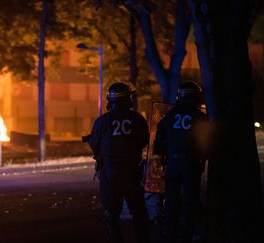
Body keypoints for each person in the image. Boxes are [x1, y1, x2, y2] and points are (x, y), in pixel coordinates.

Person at [88, 82, 150, 243]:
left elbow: (95, 144)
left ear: (110, 100)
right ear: (128, 99)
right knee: (138, 211)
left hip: (110, 172)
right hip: (132, 171)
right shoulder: (137, 119)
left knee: (111, 212)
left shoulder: (102, 121)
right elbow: (144, 140)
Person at [153, 81, 209, 243]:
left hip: (172, 163)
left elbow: (159, 138)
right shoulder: (201, 117)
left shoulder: (170, 115)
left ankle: (170, 235)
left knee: (171, 200)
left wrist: (162, 156)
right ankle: (186, 236)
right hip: (191, 163)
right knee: (190, 201)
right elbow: (206, 142)